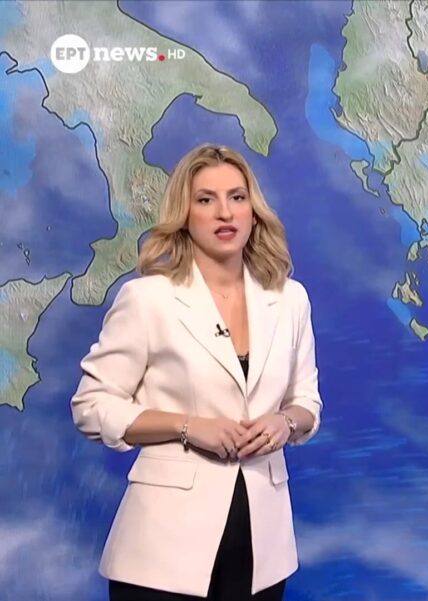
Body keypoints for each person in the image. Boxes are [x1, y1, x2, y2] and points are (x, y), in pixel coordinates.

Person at [70, 143, 324, 600]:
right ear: (184, 215)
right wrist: (188, 426)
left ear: (253, 211)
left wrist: (284, 423)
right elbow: (92, 406)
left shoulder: (290, 300)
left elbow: (306, 402)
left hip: (261, 548)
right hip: (160, 553)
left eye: (237, 197)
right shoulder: (148, 299)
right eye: (206, 199)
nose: (225, 212)